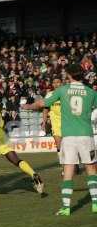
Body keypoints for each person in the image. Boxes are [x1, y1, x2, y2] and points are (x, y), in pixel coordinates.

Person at [22, 64, 97, 216]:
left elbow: (43, 103)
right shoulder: (91, 92)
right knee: (91, 169)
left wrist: (28, 106)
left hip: (68, 136)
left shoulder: (62, 90)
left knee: (68, 170)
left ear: (69, 75)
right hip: (86, 135)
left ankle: (66, 207)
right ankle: (95, 204)